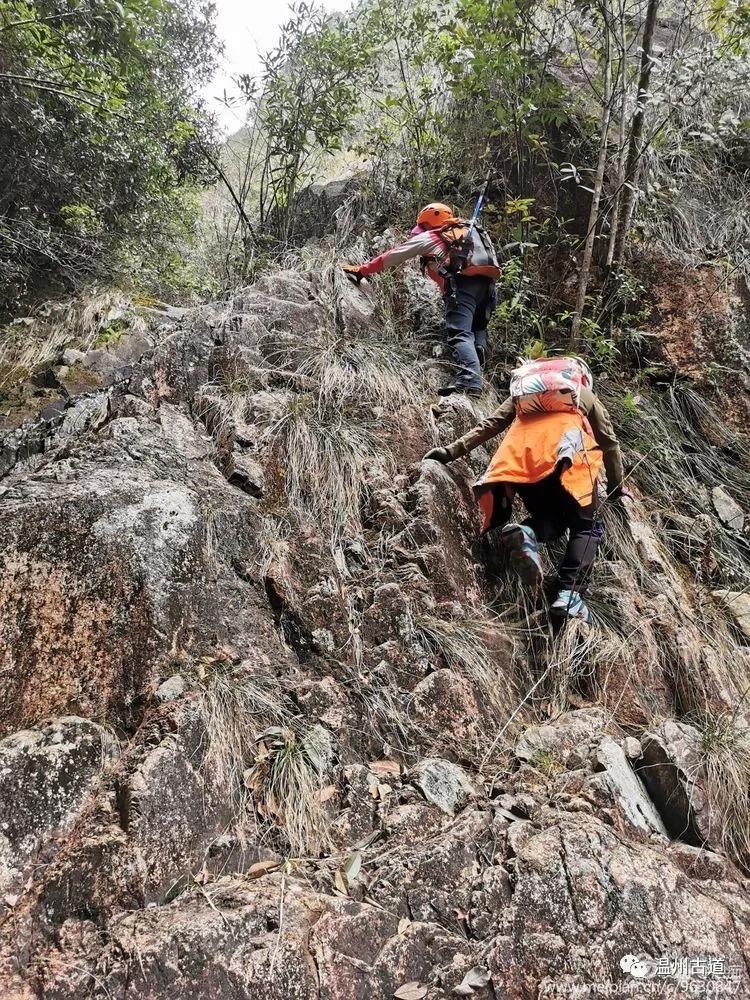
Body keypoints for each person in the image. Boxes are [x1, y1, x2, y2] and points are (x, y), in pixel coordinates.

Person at [424, 358, 632, 623]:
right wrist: (615, 489)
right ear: (583, 377)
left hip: (522, 461)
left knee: (554, 519)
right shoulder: (583, 394)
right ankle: (570, 595)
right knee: (587, 526)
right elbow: (609, 443)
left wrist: (451, 451)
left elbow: (491, 424)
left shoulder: (524, 392)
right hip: (565, 457)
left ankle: (528, 533)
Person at [343, 202, 500, 396]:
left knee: (459, 332)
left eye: (423, 226)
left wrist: (363, 269)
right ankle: (477, 356)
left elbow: (393, 256)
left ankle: (470, 382)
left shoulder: (432, 236)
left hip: (463, 288)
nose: (420, 231)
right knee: (478, 328)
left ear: (429, 223)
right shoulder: (471, 233)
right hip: (489, 290)